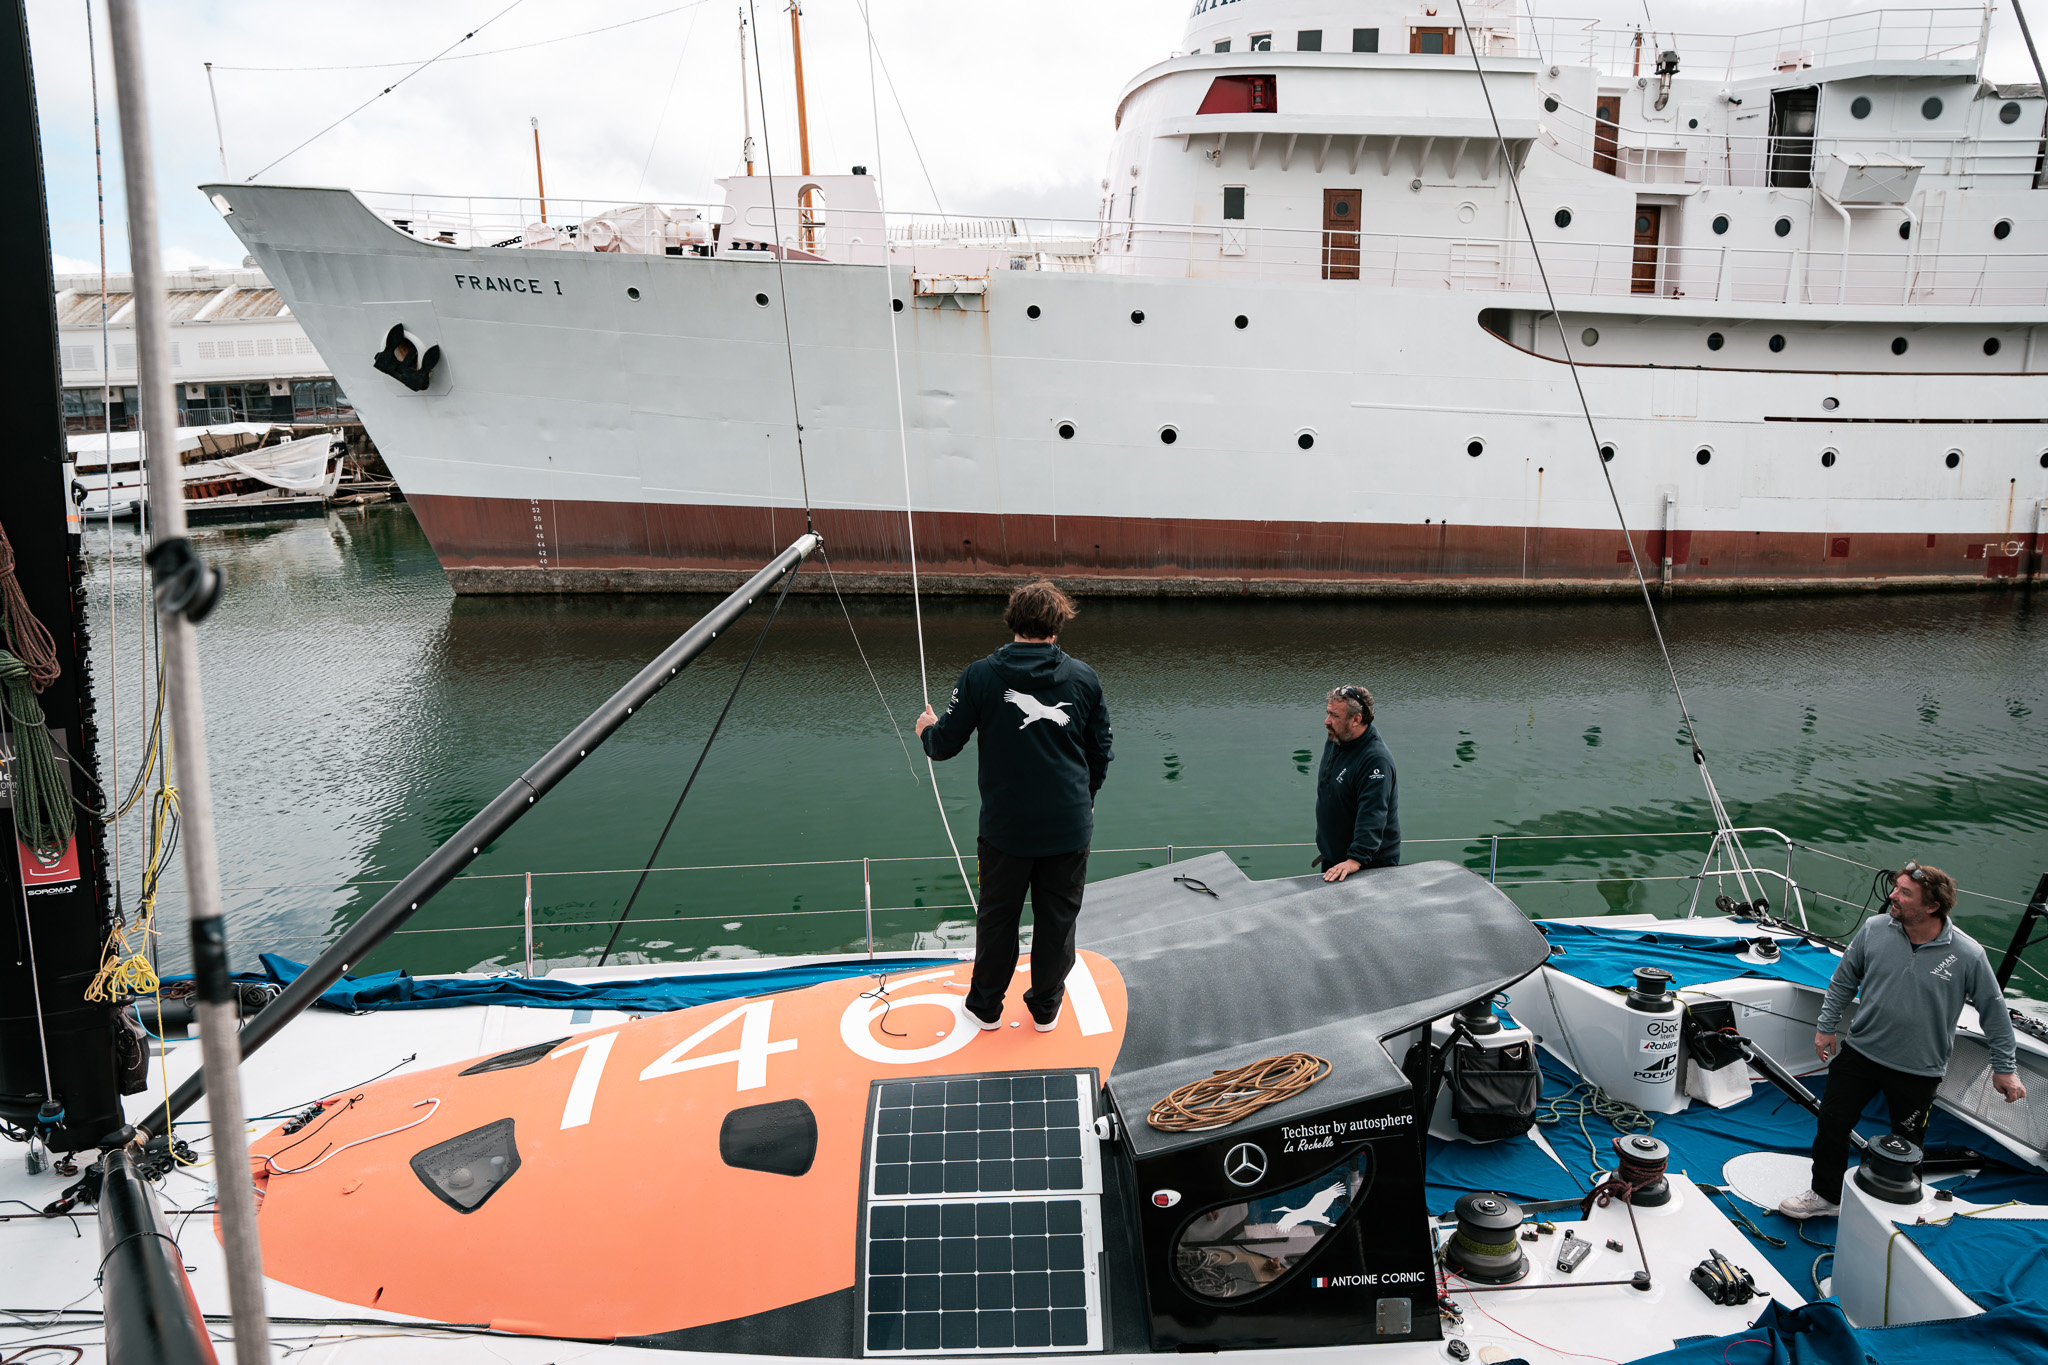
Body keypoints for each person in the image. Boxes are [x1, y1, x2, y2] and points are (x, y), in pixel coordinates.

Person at [915, 580, 1113, 1033]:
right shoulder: (1084, 677)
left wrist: (927, 727)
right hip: (1068, 824)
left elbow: (943, 746)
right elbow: (1101, 750)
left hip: (1006, 831)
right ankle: (1045, 1008)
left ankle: (985, 1008)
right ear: (1058, 625)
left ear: (1013, 621)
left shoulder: (981, 675)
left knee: (998, 917)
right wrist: (1089, 800)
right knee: (1058, 920)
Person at [1779, 860, 2025, 1220]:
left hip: (1918, 1069)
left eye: (1904, 892)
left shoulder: (1968, 954)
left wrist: (2005, 1069)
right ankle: (1826, 1195)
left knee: (1909, 1145)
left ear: (1931, 906)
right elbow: (1844, 981)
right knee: (1831, 1123)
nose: (1892, 895)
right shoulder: (1874, 929)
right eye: (1896, 887)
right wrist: (1825, 1026)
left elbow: (1994, 1013)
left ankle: (1904, 1213)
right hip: (1860, 1054)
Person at [1313, 685, 1399, 881]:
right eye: (1328, 713)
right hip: (1335, 860)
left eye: (1334, 716)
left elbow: (1373, 813)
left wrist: (1356, 859)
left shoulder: (1376, 760)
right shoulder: (1337, 738)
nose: (1327, 721)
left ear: (1356, 719)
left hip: (1367, 866)